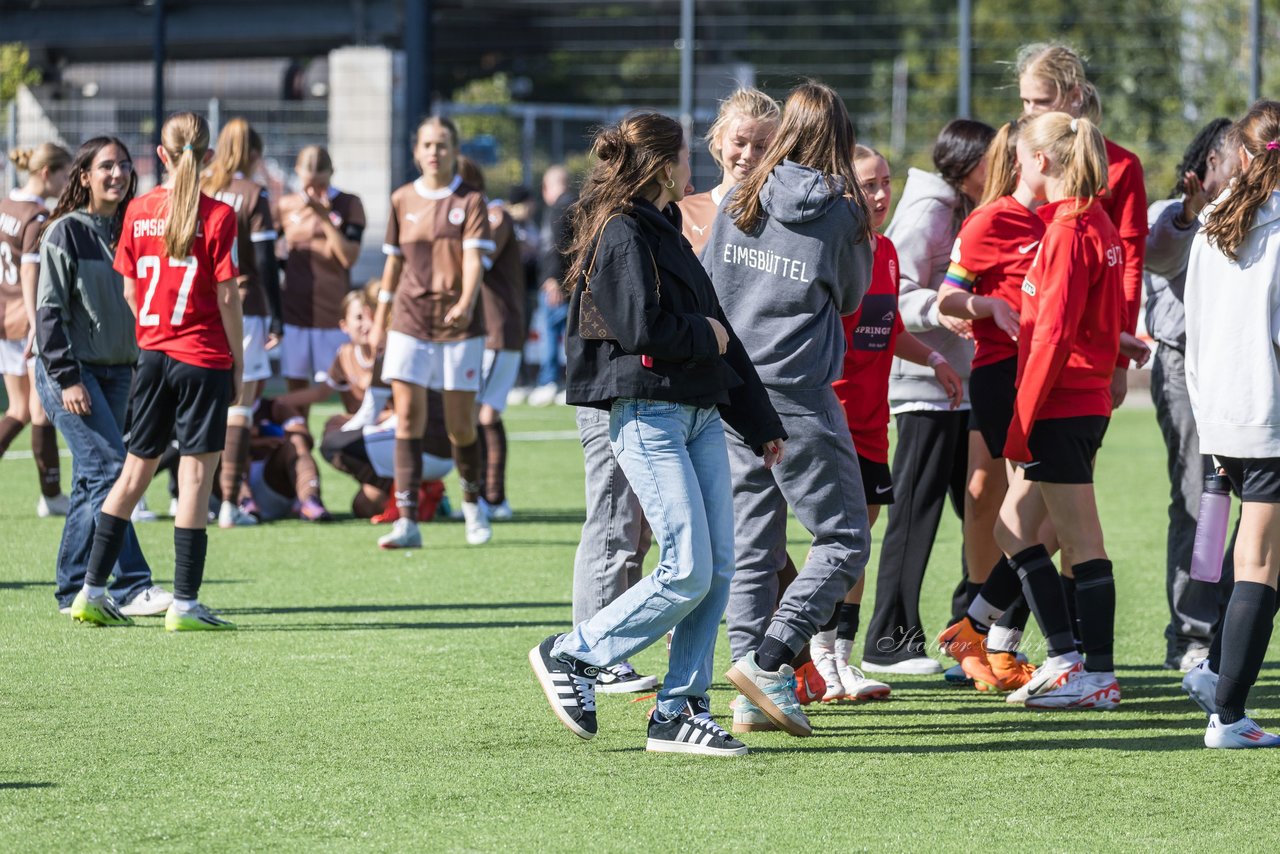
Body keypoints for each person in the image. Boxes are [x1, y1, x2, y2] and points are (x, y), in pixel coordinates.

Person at [528, 111, 784, 757]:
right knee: (688, 567)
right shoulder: (619, 230)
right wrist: (707, 337)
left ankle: (680, 711)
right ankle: (573, 653)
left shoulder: (664, 227)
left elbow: (716, 321)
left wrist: (760, 424)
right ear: (665, 164)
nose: (693, 165)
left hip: (697, 412)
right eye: (685, 155)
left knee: (717, 570)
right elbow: (646, 328)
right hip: (648, 414)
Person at [700, 81, 872, 738]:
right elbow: (853, 297)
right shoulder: (843, 213)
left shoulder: (740, 196)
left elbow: (711, 286)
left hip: (735, 390)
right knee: (844, 539)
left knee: (754, 546)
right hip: (798, 393)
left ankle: (748, 695)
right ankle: (772, 661)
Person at [939, 111, 1125, 710]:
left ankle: (1089, 671)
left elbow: (1050, 337)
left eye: (1020, 157)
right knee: (1016, 530)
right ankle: (1058, 654)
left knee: (1077, 540)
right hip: (1077, 399)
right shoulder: (1090, 220)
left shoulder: (1070, 229)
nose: (1014, 167)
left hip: (1061, 403)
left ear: (1042, 161)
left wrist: (1021, 422)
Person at [66, 112, 242, 631]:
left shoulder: (138, 210)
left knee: (133, 473)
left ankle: (91, 592)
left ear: (160, 156)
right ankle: (184, 605)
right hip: (203, 357)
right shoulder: (219, 214)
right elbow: (228, 296)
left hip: (153, 357)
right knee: (194, 478)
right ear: (207, 157)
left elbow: (128, 290)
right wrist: (239, 362)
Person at [812, 144, 964, 703]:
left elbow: (888, 327)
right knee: (835, 541)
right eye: (868, 184)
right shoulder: (829, 250)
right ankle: (810, 657)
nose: (880, 195)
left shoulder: (888, 251)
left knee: (857, 543)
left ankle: (838, 659)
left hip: (875, 426)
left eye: (885, 183)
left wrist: (936, 359)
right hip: (830, 420)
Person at [862, 119, 994, 676]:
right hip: (924, 391)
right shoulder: (930, 211)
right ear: (966, 166)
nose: (1005, 166)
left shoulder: (967, 208)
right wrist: (943, 310)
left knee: (983, 516)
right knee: (913, 518)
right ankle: (888, 640)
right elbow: (898, 297)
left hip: (963, 388)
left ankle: (971, 639)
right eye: (996, 158)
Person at [32, 137, 171, 618]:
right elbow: (47, 314)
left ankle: (73, 589)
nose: (118, 174)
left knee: (93, 481)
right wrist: (67, 378)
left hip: (119, 373)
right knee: (114, 473)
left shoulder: (135, 228)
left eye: (125, 166)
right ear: (85, 176)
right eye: (106, 166)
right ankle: (133, 584)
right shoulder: (64, 232)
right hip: (69, 373)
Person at [934, 119, 1045, 691]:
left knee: (1043, 517)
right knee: (1029, 509)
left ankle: (986, 630)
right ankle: (988, 633)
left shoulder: (1069, 219)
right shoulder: (991, 219)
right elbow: (946, 298)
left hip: (1056, 382)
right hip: (1003, 376)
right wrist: (985, 308)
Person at [1185, 99, 1280, 748]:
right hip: (1270, 415)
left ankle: (1217, 674)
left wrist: (1210, 424)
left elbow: (1196, 331)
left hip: (1224, 414)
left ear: (1242, 156)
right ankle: (1229, 713)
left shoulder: (1212, 223)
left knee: (1259, 557)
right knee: (1259, 563)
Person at [368, 116, 494, 550]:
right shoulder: (402, 199)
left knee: (461, 426)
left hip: (459, 328)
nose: (434, 152)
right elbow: (393, 262)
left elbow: (475, 260)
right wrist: (382, 314)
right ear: (416, 151)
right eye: (427, 144)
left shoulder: (471, 200)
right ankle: (406, 521)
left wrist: (466, 301)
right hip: (409, 321)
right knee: (407, 418)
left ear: (454, 149)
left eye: (442, 144)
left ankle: (474, 505)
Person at [1145, 118, 1238, 671]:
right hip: (1186, 364)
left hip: (1250, 367)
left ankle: (1228, 622)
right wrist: (1188, 212)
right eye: (1231, 157)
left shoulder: (1260, 213)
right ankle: (1193, 634)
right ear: (1200, 171)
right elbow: (1159, 256)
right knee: (1204, 503)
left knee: (1253, 505)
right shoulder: (1175, 213)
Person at [1017, 42, 1148, 409]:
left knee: (1061, 460)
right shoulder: (1022, 157)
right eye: (1024, 101)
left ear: (1074, 96)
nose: (1028, 112)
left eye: (1040, 102)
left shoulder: (1121, 167)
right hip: (1017, 337)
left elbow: (1129, 265)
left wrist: (1119, 361)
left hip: (1082, 356)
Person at [290, 284, 453, 521]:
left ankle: (409, 496)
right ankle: (421, 495)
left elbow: (377, 411)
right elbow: (324, 392)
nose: (367, 324)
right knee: (363, 506)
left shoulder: (391, 347)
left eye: (370, 315)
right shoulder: (412, 339)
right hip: (447, 451)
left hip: (415, 442)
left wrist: (344, 429)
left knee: (333, 443)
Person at [201, 118, 286, 527]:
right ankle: (231, 505)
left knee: (199, 407)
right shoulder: (253, 194)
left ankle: (189, 497)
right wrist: (278, 316)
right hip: (243, 304)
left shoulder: (201, 189)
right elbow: (267, 261)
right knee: (240, 408)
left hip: (200, 307)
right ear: (254, 154)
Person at [1, 143, 71, 517]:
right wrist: (35, 325)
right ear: (47, 173)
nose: (67, 181)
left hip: (2, 318)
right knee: (41, 410)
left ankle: (52, 494)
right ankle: (52, 495)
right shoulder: (36, 216)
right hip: (24, 321)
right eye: (64, 174)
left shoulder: (4, 205)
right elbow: (30, 271)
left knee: (18, 409)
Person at [456, 156, 523, 519]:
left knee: (484, 412)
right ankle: (487, 495)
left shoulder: (494, 216)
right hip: (484, 330)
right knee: (478, 411)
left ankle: (493, 496)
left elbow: (478, 260)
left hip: (498, 329)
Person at [278, 145, 365, 405]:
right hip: (295, 312)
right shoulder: (285, 206)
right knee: (297, 391)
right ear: (297, 174)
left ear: (332, 174)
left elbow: (348, 257)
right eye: (309, 184)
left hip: (332, 313)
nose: (315, 191)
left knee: (349, 391)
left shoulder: (349, 203)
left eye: (321, 183)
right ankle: (299, 444)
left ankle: (354, 442)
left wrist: (325, 219)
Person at [679, 87, 780, 255]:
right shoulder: (683, 212)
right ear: (719, 138)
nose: (748, 155)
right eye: (739, 143)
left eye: (760, 147)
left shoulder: (781, 217)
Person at [526, 165, 574, 406]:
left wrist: (554, 278)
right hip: (569, 284)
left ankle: (549, 382)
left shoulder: (561, 207)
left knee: (553, 332)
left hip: (559, 285)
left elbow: (559, 246)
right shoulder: (572, 204)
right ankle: (563, 381)